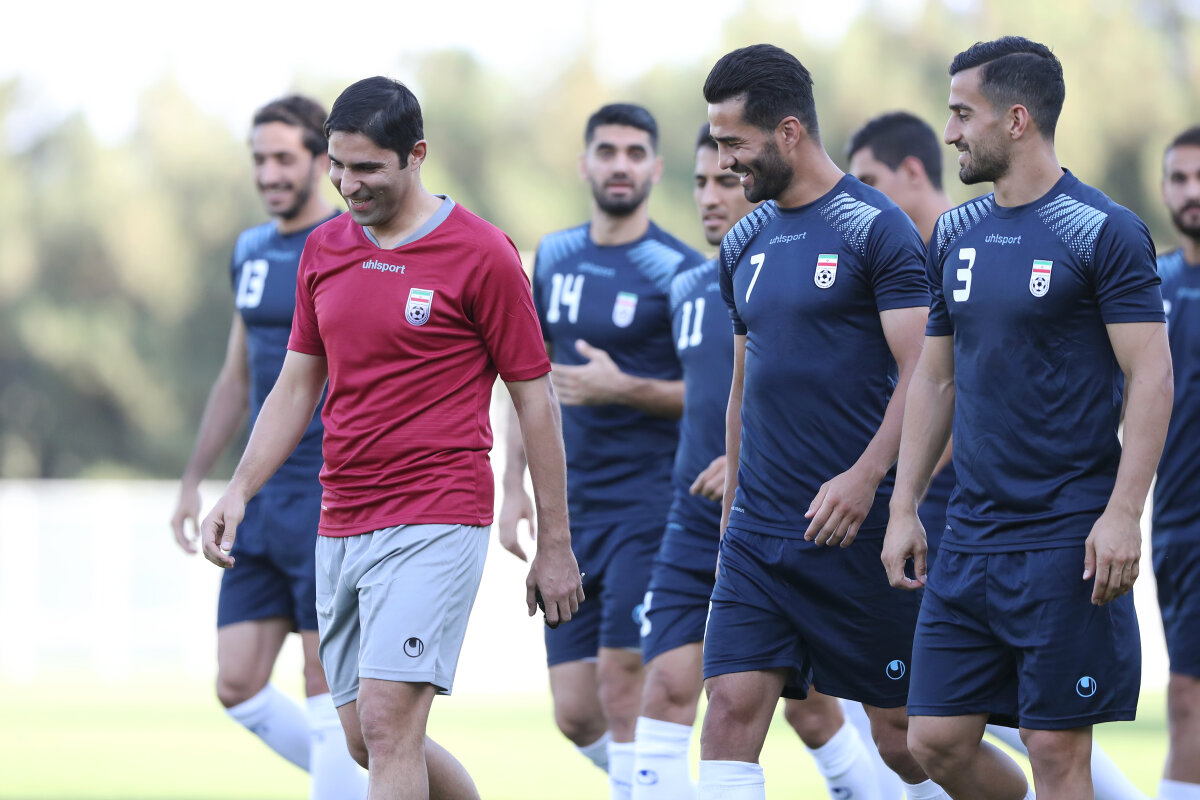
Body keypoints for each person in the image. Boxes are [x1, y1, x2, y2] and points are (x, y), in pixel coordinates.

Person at [200, 76, 584, 800]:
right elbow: (295, 385)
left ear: (417, 155)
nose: (348, 184)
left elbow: (535, 400)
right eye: (338, 167)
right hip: (340, 518)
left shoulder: (482, 252)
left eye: (368, 168)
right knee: (361, 735)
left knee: (386, 724)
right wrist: (239, 489)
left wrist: (555, 542)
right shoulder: (324, 248)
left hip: (437, 513)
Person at [882, 36, 1172, 800]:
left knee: (1055, 750)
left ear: (1016, 120)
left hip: (1065, 537)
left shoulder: (1103, 230)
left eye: (962, 113)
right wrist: (905, 504)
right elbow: (935, 377)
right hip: (969, 536)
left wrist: (1123, 513)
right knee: (934, 740)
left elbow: (1152, 374)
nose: (950, 132)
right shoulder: (954, 234)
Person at [699, 43, 951, 800]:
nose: (724, 162)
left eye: (734, 142)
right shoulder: (743, 241)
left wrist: (867, 478)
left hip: (857, 533)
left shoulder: (876, 228)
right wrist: (732, 518)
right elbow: (743, 390)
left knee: (906, 741)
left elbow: (926, 374)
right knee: (729, 710)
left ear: (788, 132)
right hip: (758, 536)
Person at [631, 123, 888, 800]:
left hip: (813, 518)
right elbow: (717, 396)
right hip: (707, 524)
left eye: (726, 176)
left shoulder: (836, 246)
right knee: (685, 693)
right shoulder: (691, 282)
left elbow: (905, 379)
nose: (713, 192)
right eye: (700, 180)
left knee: (877, 729)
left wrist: (752, 461)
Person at [499, 103, 704, 800]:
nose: (621, 164)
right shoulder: (552, 256)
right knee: (575, 712)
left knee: (623, 686)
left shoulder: (681, 270)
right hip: (571, 513)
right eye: (608, 151)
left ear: (656, 168)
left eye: (635, 153)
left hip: (650, 509)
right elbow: (524, 377)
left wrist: (626, 388)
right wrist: (512, 486)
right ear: (584, 162)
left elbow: (715, 394)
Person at [169, 94, 366, 799]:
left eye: (285, 157)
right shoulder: (250, 250)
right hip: (259, 497)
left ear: (321, 161)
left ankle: (377, 779)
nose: (269, 172)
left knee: (326, 685)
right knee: (237, 682)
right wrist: (195, 479)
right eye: (259, 158)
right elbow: (236, 377)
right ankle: (386, 781)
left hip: (327, 494)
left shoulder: (353, 243)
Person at [1153, 125, 1200, 800]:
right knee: (1188, 696)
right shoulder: (1146, 285)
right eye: (1180, 179)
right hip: (1175, 526)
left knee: (1190, 694)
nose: (1193, 192)